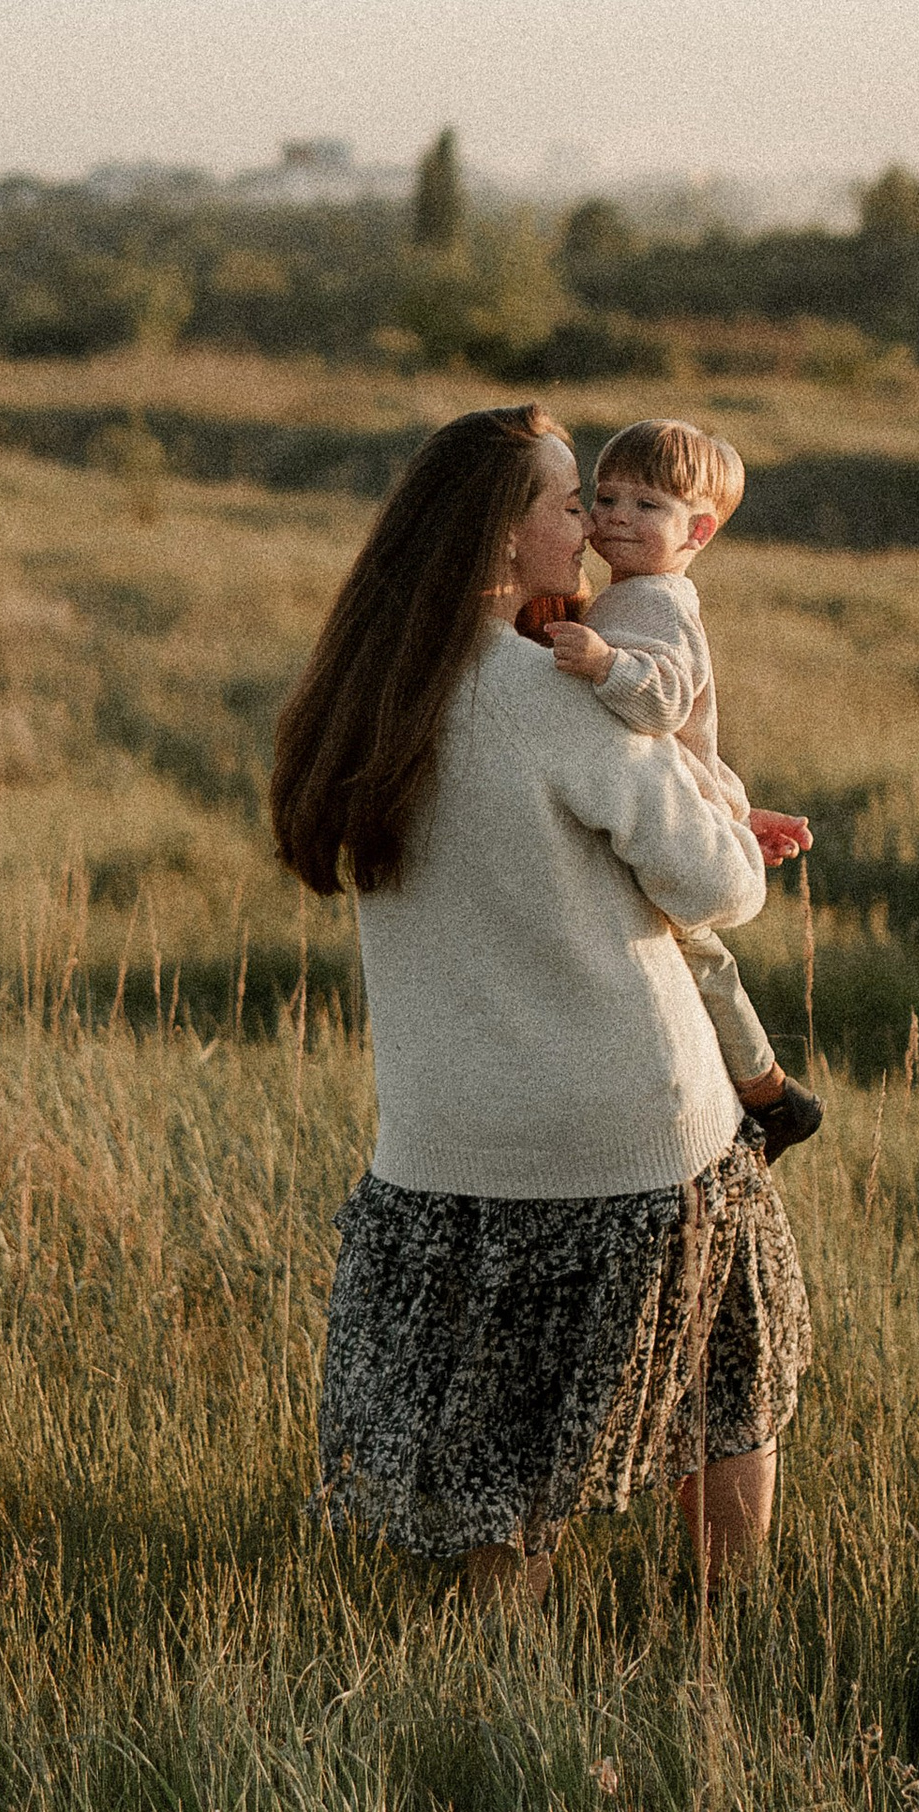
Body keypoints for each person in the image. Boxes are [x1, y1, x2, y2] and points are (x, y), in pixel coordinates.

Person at [268, 404, 812, 1602]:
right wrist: (715, 802)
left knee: (494, 1463)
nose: (595, 522)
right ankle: (720, 1642)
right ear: (503, 536)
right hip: (630, 1137)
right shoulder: (550, 693)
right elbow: (721, 888)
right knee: (724, 1388)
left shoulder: (362, 695)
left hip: (443, 1148)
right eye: (570, 502)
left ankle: (489, 1705)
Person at [536, 416, 821, 1159]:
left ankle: (769, 1092)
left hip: (686, 811)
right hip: (691, 795)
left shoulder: (661, 602)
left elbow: (664, 703)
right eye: (607, 497)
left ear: (697, 531)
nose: (618, 517)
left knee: (700, 959)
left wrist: (604, 665)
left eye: (648, 506)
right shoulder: (626, 592)